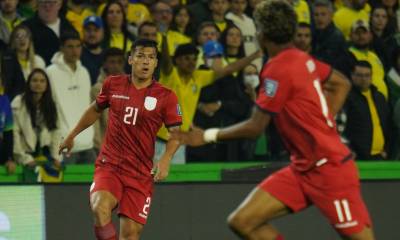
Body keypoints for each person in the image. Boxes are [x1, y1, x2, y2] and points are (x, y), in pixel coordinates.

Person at [171, 1, 375, 239]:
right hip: (302, 168)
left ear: (262, 33)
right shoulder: (301, 58)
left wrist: (206, 135)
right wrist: (323, 120)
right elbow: (341, 82)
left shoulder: (276, 69)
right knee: (243, 221)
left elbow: (255, 127)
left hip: (330, 170)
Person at [59, 39, 182, 240]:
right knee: (99, 208)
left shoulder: (166, 96)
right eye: (141, 56)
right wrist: (72, 135)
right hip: (110, 165)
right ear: (131, 59)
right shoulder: (113, 84)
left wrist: (166, 159)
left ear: (156, 63)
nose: (146, 61)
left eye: (151, 57)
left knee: (130, 234)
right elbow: (95, 109)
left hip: (140, 173)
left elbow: (176, 133)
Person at [46, 30, 96, 164]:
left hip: (88, 144)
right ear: (61, 48)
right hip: (65, 144)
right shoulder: (50, 72)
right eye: (70, 46)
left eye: (78, 46)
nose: (74, 50)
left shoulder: (84, 72)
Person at [12, 68, 62, 167]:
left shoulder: (52, 105)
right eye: (34, 80)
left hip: (45, 154)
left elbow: (56, 132)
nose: (38, 84)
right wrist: (24, 158)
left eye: (42, 81)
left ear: (47, 85)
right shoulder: (18, 103)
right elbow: (14, 133)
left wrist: (56, 156)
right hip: (25, 155)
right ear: (29, 83)